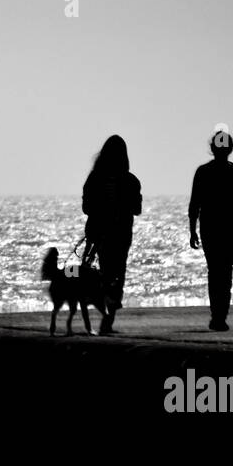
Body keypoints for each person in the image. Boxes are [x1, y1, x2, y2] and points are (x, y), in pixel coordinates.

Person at [188, 130, 233, 331]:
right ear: (230, 149)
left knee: (215, 271)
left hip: (210, 227)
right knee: (225, 271)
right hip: (228, 228)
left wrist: (192, 231)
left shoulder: (203, 172)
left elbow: (194, 205)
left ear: (212, 148)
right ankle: (220, 315)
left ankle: (217, 314)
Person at [81, 135, 142, 334]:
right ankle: (109, 318)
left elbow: (86, 207)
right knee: (118, 274)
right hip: (121, 234)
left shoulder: (95, 178)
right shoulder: (131, 181)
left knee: (106, 273)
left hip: (100, 234)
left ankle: (106, 311)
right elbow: (137, 209)